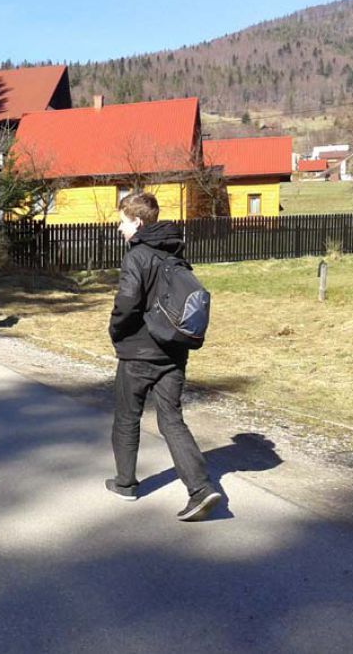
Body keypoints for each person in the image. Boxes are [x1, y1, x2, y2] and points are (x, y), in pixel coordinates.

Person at [105, 192, 221, 522]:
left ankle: (125, 484)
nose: (120, 228)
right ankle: (200, 489)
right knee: (171, 419)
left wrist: (116, 330)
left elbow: (127, 301)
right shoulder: (175, 253)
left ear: (138, 222)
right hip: (173, 350)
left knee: (127, 416)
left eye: (123, 222)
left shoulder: (137, 256)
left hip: (138, 352)